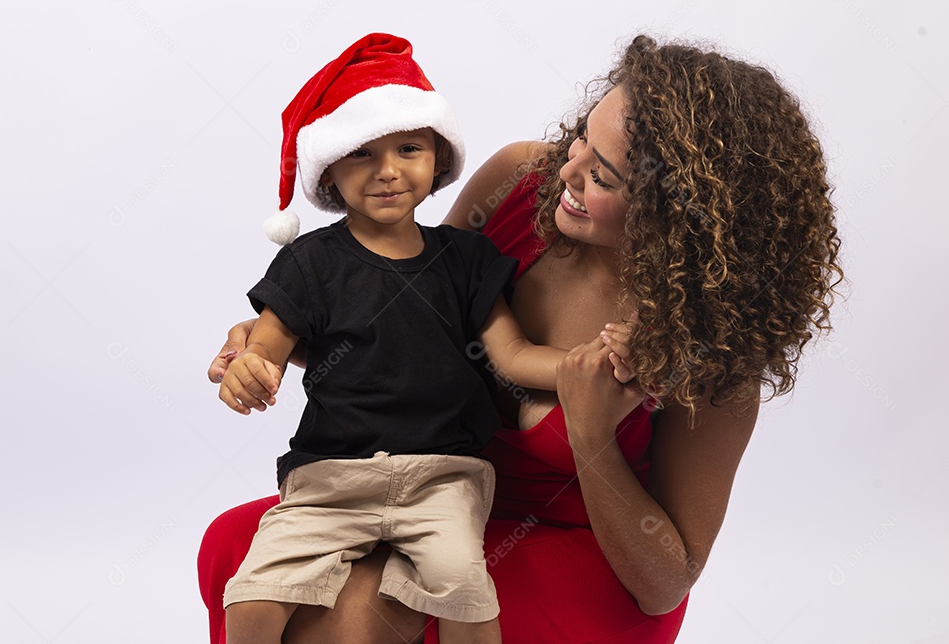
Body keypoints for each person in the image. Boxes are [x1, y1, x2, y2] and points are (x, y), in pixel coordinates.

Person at [200, 34, 843, 644]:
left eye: (606, 178)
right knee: (232, 543)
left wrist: (592, 438)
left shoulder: (715, 354)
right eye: (583, 141)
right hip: (425, 483)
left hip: (575, 548)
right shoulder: (518, 182)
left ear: (682, 217)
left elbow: (666, 583)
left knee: (366, 609)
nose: (569, 171)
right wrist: (270, 343)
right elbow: (402, 319)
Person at [220, 33, 581, 644]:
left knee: (467, 596)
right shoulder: (310, 263)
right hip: (328, 479)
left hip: (443, 476)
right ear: (329, 169)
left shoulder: (465, 259)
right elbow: (266, 346)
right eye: (361, 154)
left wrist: (585, 363)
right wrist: (246, 368)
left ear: (437, 157)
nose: (387, 171)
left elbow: (514, 355)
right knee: (252, 599)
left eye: (408, 148)